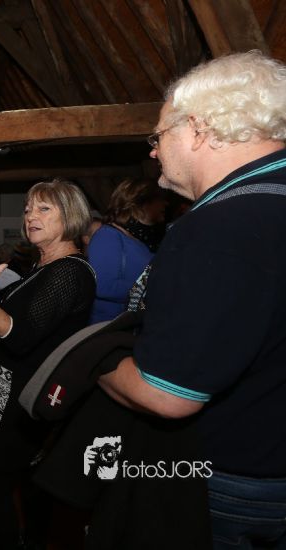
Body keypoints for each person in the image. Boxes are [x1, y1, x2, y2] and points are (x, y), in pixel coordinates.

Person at [98, 51, 286, 549]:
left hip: (235, 483)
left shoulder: (218, 227)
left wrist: (94, 361)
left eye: (159, 135)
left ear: (199, 130)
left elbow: (168, 395)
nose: (153, 152)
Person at [0, 179, 96, 549]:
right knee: (30, 483)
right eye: (28, 208)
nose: (31, 215)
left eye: (44, 208)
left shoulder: (69, 271)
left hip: (25, 400)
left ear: (70, 215)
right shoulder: (44, 264)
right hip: (18, 396)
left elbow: (19, 336)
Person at [86, 179, 158, 324]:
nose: (165, 204)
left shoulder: (137, 239)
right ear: (141, 204)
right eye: (159, 199)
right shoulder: (107, 235)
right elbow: (103, 286)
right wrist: (156, 287)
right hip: (110, 326)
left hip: (132, 324)